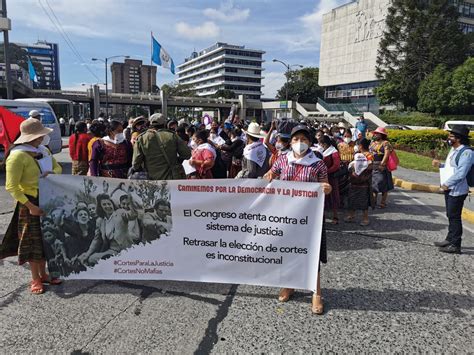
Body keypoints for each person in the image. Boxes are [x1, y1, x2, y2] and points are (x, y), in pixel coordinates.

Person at [263, 124, 332, 315]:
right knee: (288, 250)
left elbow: (325, 184)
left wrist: (327, 188)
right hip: (286, 214)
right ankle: (289, 285)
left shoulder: (317, 163)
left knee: (312, 254)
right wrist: (268, 175)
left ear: (310, 142)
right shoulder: (283, 160)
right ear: (290, 141)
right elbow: (272, 174)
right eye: (295, 139)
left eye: (303, 140)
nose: (299, 143)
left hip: (309, 217)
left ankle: (316, 292)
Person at [0, 119, 62, 294]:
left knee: (46, 240)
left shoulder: (43, 151)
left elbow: (57, 168)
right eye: (41, 135)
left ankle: (44, 274)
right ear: (33, 136)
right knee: (32, 242)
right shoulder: (17, 155)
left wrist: (51, 173)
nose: (43, 138)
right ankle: (35, 278)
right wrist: (30, 206)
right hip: (30, 203)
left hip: (49, 199)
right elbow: (11, 186)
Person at [432, 125, 474, 254]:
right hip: (450, 187)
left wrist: (447, 184)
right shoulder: (454, 150)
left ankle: (456, 244)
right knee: (450, 215)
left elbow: (461, 173)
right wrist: (441, 165)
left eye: (451, 136)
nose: (448, 138)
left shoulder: (467, 152)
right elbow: (453, 168)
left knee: (454, 217)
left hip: (457, 189)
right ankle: (449, 239)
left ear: (459, 138)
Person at [132, 113, 191, 180]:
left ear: (150, 123)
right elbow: (187, 154)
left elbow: (135, 164)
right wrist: (176, 160)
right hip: (172, 179)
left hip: (152, 180)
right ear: (165, 123)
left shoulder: (141, 138)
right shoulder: (172, 136)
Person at [345, 139, 374, 226]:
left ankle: (365, 219)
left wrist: (359, 167)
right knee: (352, 198)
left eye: (358, 145)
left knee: (363, 201)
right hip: (354, 180)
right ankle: (351, 215)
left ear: (361, 145)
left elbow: (370, 166)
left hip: (363, 181)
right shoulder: (357, 154)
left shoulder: (369, 155)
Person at [369, 127, 394, 209]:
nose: (375, 134)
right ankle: (374, 201)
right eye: (375, 133)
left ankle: (383, 202)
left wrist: (382, 164)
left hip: (382, 166)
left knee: (383, 184)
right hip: (373, 165)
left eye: (377, 133)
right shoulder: (372, 143)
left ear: (382, 135)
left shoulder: (386, 143)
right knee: (374, 184)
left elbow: (387, 154)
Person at [321, 135, 341, 224]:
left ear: (325, 144)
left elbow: (336, 165)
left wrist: (326, 171)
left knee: (333, 196)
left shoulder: (334, 152)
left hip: (331, 177)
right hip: (323, 176)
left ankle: (335, 216)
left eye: (321, 144)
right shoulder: (323, 151)